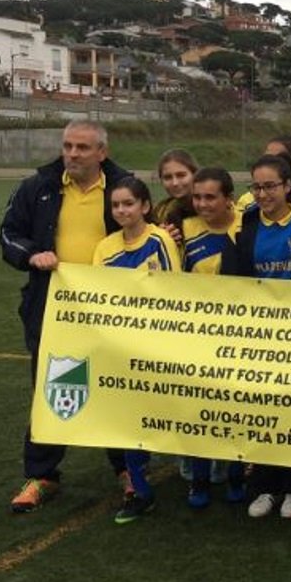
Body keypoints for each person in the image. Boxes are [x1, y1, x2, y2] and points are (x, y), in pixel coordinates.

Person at [0, 119, 133, 512]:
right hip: (51, 306)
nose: (72, 154)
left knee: (116, 385)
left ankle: (127, 469)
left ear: (102, 152)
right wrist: (30, 254)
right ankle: (42, 475)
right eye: (68, 146)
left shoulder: (123, 188)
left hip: (110, 309)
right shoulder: (37, 186)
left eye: (82, 148)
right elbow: (8, 234)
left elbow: (145, 230)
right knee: (50, 388)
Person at [221, 154, 291, 519]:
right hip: (258, 335)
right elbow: (233, 281)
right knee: (259, 409)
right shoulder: (243, 227)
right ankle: (263, 485)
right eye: (256, 187)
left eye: (270, 186)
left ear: (288, 186)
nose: (262, 194)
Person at [91, 176, 182, 523]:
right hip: (123, 350)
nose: (122, 210)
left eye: (128, 203)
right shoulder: (105, 247)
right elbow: (97, 294)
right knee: (128, 419)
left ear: (145, 206)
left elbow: (172, 289)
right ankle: (141, 491)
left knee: (178, 411)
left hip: (161, 347)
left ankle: (202, 479)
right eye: (116, 205)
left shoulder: (159, 239)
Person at [181, 166, 243, 507]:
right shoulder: (183, 229)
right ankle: (200, 479)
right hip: (197, 337)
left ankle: (235, 473)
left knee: (234, 407)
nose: (202, 204)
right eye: (197, 197)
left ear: (228, 199)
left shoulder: (245, 225)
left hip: (239, 336)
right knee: (198, 409)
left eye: (210, 197)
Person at [154, 148, 199, 229]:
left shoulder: (211, 207)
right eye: (167, 177)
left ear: (195, 174)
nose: (175, 183)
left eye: (181, 175)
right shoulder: (160, 211)